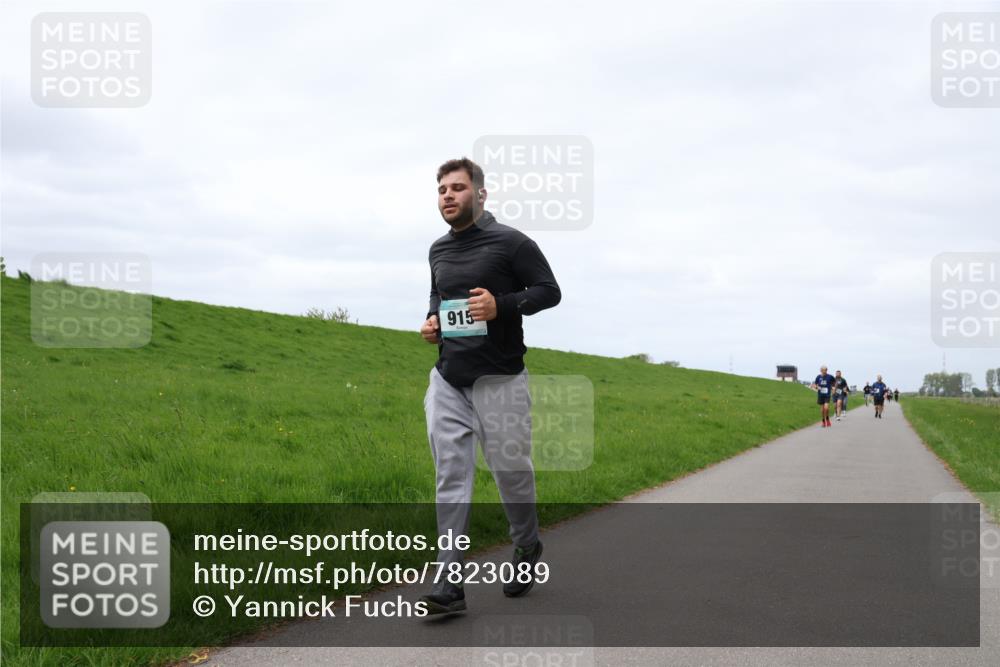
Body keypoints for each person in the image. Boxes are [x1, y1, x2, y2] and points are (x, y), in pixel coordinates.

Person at [418, 157, 561, 614]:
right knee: (451, 477)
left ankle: (526, 545)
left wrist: (502, 305)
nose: (447, 195)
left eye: (457, 188)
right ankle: (449, 581)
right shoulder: (437, 249)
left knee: (511, 473)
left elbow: (548, 290)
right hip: (449, 380)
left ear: (480, 194)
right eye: (442, 189)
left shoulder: (512, 243)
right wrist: (433, 321)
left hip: (500, 380)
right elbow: (439, 294)